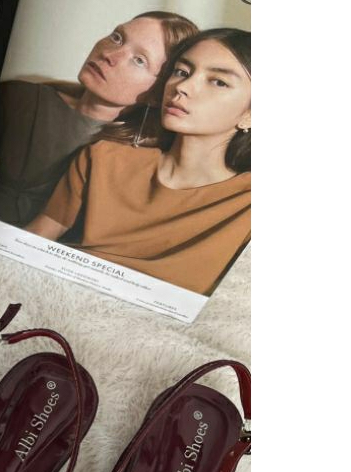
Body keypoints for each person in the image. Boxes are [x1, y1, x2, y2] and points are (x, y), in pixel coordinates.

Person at [27, 29, 251, 296]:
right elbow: (31, 242)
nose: (182, 87)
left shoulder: (249, 205)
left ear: (250, 115)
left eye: (219, 82)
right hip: (57, 294)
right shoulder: (104, 158)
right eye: (181, 71)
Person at [0, 12, 198, 227]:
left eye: (139, 60)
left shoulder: (145, 155)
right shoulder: (24, 98)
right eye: (117, 38)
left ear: (157, 95)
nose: (110, 55)